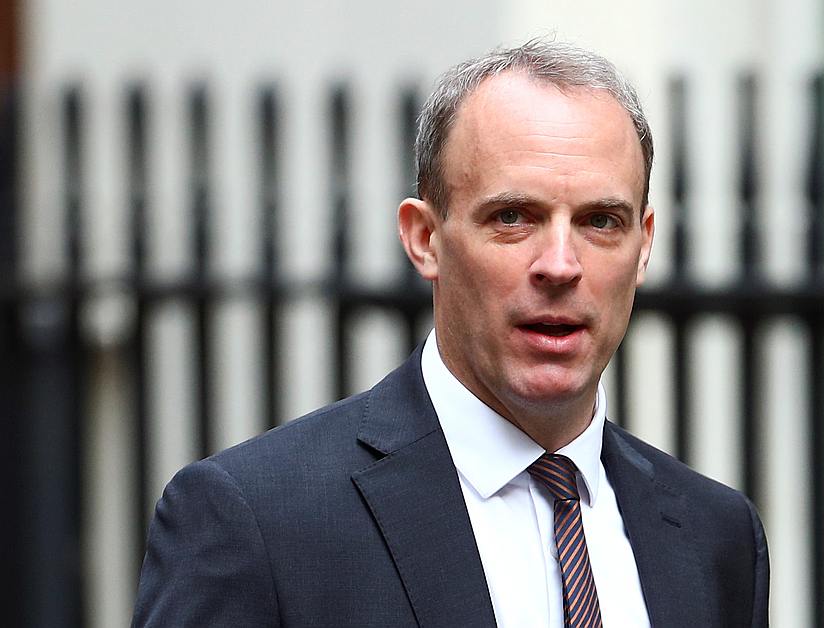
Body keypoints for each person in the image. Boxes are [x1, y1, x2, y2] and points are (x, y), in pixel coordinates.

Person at [132, 39, 769, 627]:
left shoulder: (716, 537)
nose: (560, 264)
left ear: (644, 243)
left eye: (601, 221)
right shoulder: (259, 523)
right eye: (513, 217)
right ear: (424, 238)